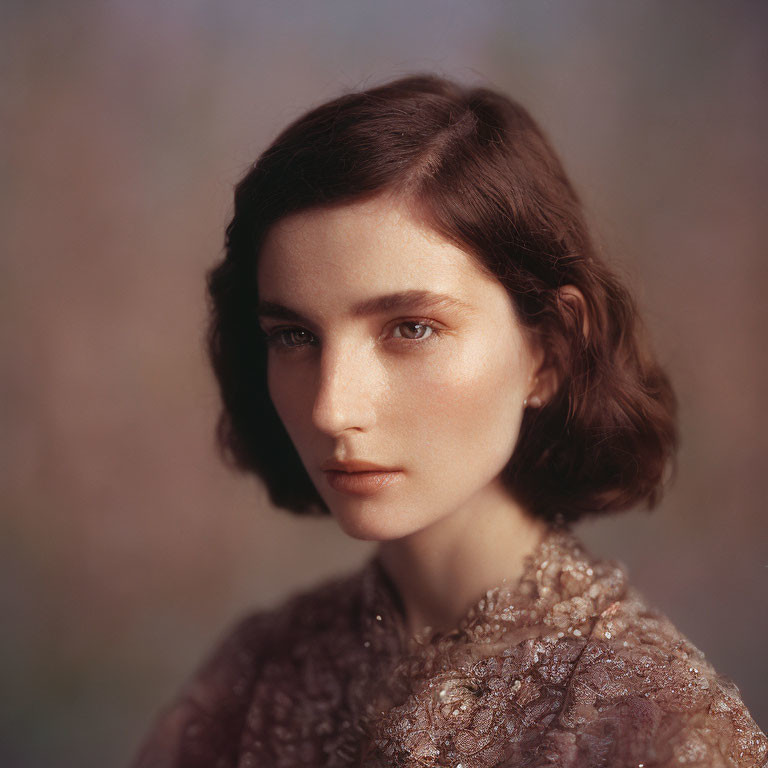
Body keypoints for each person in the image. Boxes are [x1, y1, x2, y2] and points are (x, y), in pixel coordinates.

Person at [131, 74, 767, 767]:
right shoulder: (254, 675)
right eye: (294, 335)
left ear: (549, 350)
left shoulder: (652, 726)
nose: (331, 407)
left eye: (410, 328)